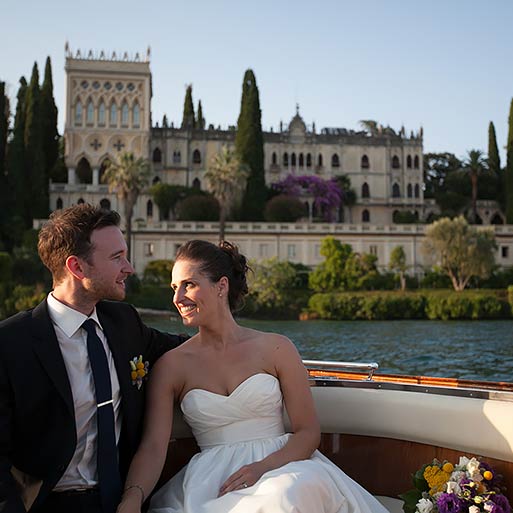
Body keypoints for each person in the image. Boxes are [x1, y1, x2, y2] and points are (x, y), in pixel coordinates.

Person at [117, 240, 389, 513]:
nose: (177, 299)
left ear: (221, 286)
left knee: (286, 495)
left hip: (283, 467)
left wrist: (261, 468)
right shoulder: (171, 366)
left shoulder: (277, 348)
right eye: (175, 288)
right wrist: (132, 498)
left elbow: (308, 434)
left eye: (189, 284)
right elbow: (153, 447)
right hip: (212, 482)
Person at [0, 204, 184, 513]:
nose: (129, 268)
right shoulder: (10, 344)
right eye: (117, 258)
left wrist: (258, 349)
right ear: (77, 268)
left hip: (124, 500)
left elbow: (187, 350)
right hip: (46, 505)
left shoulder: (124, 322)